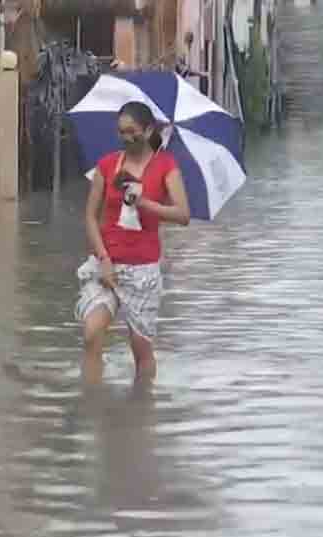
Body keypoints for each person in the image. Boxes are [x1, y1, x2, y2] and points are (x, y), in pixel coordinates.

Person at [76, 101, 190, 384]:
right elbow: (90, 216)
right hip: (107, 265)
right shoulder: (106, 166)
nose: (126, 137)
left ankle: (141, 411)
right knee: (91, 333)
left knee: (141, 350)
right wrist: (103, 259)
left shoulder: (166, 166)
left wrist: (146, 203)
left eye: (132, 131)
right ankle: (91, 406)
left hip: (143, 272)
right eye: (121, 132)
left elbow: (183, 214)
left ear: (149, 129)